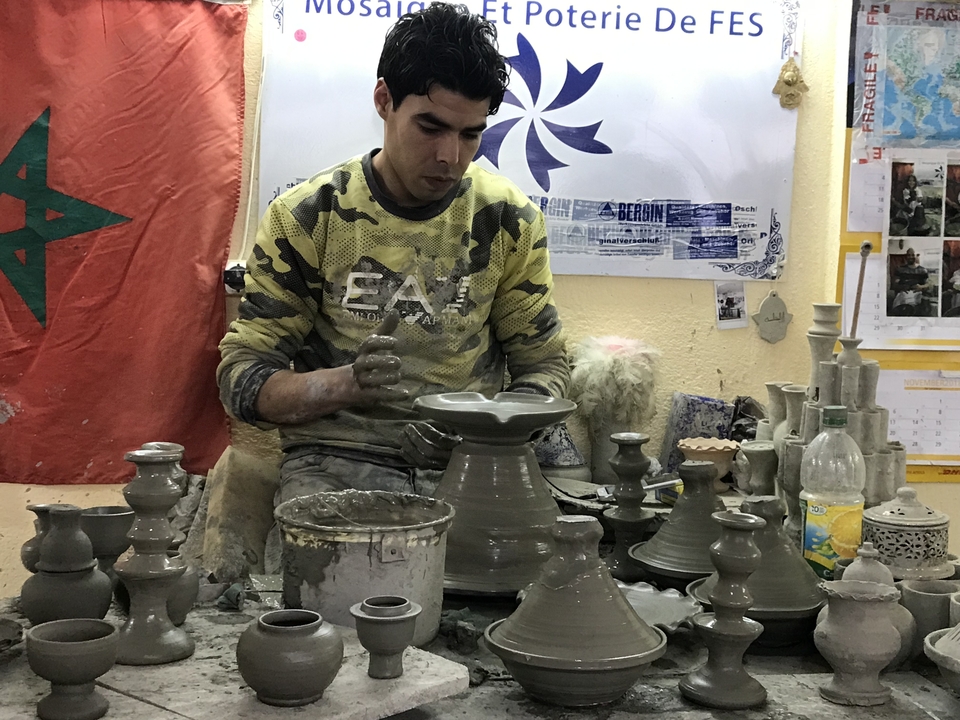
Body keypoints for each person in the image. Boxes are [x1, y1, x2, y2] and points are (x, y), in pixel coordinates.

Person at [217, 3, 570, 508]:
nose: (451, 156)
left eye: (471, 134)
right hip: (335, 459)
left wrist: (494, 430)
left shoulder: (508, 220)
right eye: (431, 127)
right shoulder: (309, 216)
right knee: (340, 576)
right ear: (384, 100)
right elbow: (242, 377)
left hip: (472, 461)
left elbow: (546, 367)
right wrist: (343, 386)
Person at [890, 247, 933, 316]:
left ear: (916, 256)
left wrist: (921, 287)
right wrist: (901, 287)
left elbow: (929, 284)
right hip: (903, 294)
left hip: (918, 293)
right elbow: (894, 284)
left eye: (912, 255)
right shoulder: (900, 270)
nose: (910, 257)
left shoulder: (922, 270)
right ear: (906, 256)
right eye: (908, 255)